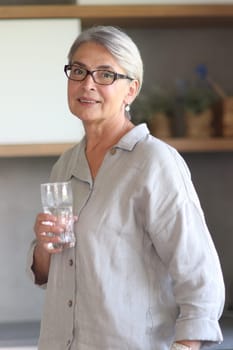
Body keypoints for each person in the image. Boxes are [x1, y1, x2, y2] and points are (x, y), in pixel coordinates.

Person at [27, 25, 225, 350]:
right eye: (78, 70)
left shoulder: (154, 162)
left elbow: (201, 276)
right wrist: (43, 249)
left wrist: (186, 346)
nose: (87, 84)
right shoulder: (64, 165)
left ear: (131, 90)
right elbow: (49, 272)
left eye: (105, 75)